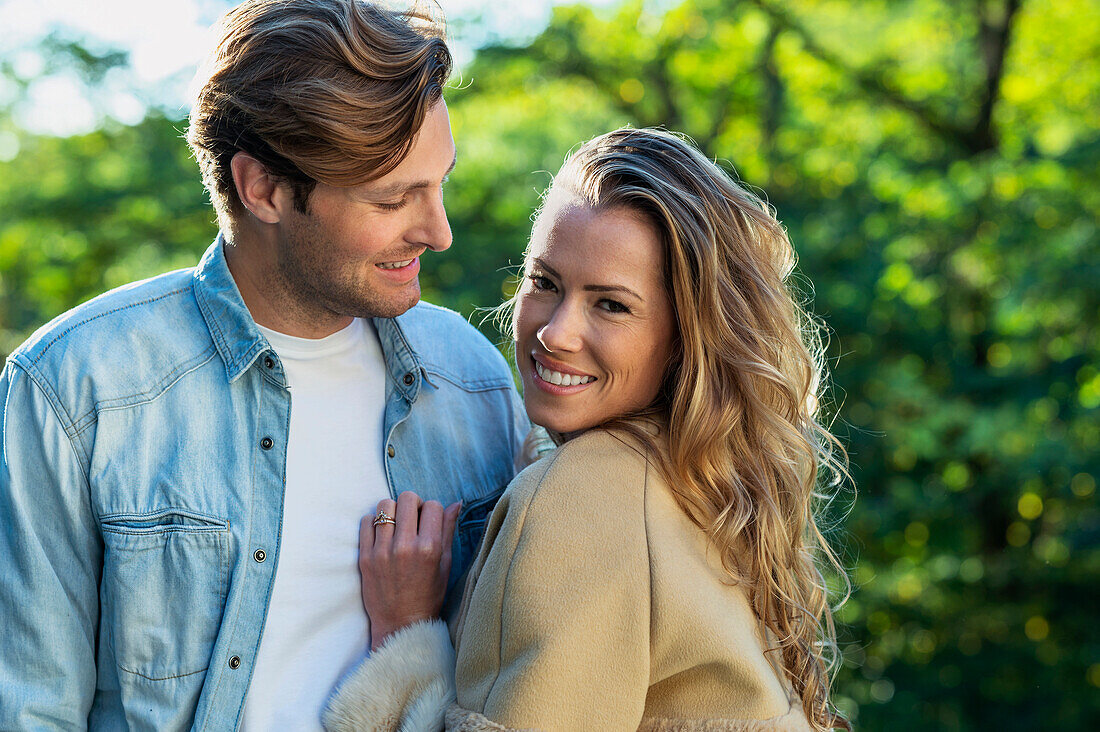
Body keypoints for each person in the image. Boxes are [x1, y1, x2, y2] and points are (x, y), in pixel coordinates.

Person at [0, 1, 530, 729]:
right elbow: (32, 706)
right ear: (264, 190)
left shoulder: (475, 382)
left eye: (440, 184)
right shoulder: (75, 388)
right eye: (392, 198)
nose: (437, 231)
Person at [323, 128, 852, 731]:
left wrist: (405, 635)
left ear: (688, 336)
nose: (557, 333)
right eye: (545, 283)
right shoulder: (702, 477)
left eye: (611, 305)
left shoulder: (583, 495)